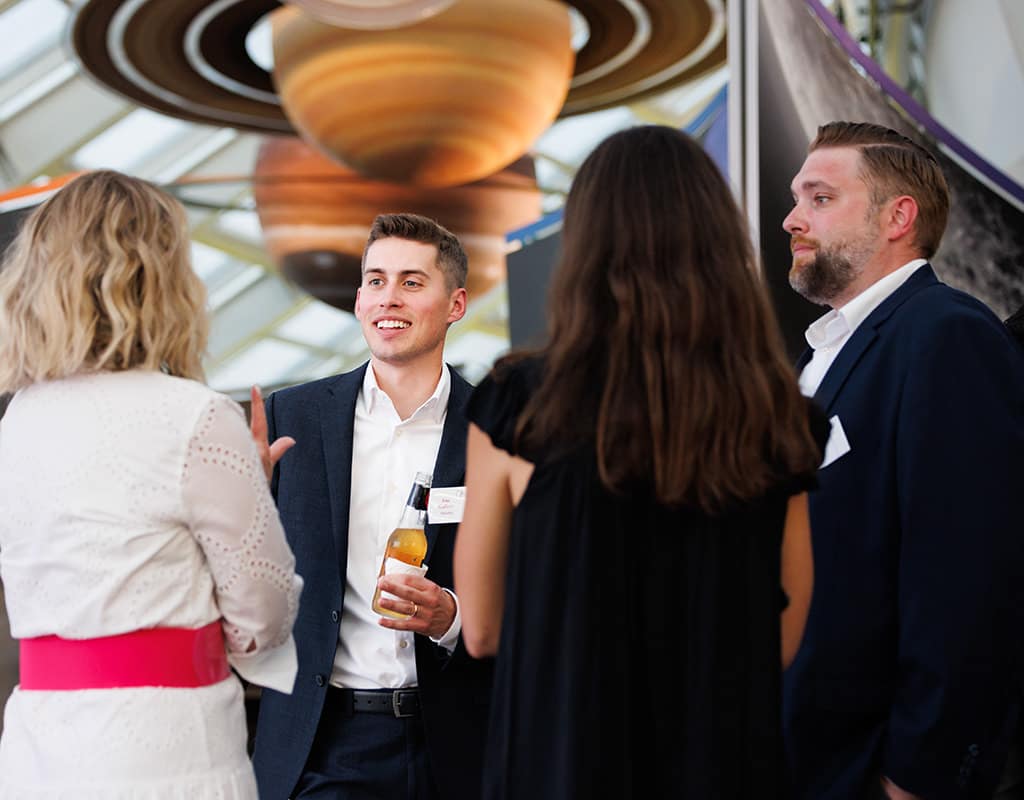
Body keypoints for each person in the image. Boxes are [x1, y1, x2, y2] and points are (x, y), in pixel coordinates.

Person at [452, 125, 825, 799]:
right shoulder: (777, 418)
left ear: (584, 246)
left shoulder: (520, 407)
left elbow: (480, 630)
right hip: (723, 768)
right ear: (719, 244)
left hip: (562, 763)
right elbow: (782, 642)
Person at [0, 170, 302, 799]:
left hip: (38, 746)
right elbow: (265, 614)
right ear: (166, 281)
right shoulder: (193, 415)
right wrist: (250, 485)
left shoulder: (18, 421)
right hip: (170, 748)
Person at [781, 121, 1024, 800]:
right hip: (805, 758)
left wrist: (918, 775)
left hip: (874, 771)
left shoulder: (946, 335)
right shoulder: (821, 354)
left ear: (898, 217)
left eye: (820, 198)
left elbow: (968, 579)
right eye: (798, 198)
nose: (792, 218)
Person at [251, 213, 494, 800]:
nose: (390, 298)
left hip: (459, 743)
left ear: (455, 304)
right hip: (323, 742)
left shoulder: (496, 424)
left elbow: (536, 582)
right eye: (376, 280)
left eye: (412, 282)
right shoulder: (294, 418)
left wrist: (451, 617)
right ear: (359, 299)